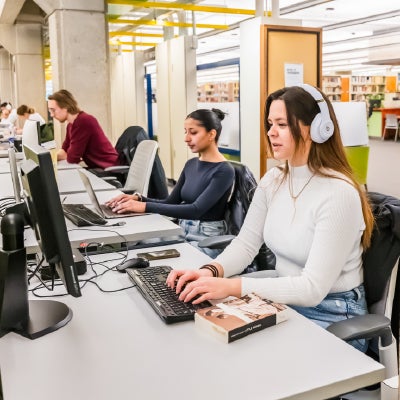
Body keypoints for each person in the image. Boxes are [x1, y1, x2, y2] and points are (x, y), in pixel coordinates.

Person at [166, 85, 375, 352]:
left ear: (317, 128)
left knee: (247, 358)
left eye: (282, 124)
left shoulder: (339, 193)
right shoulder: (274, 180)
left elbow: (312, 288)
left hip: (333, 314)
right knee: (206, 338)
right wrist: (208, 272)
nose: (271, 132)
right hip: (284, 299)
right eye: (269, 124)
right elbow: (246, 244)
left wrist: (231, 287)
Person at [106, 108, 235, 257]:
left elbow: (196, 210)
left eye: (193, 132)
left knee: (153, 260)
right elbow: (171, 201)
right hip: (182, 230)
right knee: (138, 247)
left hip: (206, 239)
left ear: (211, 134)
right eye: (185, 132)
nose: (186, 138)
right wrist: (138, 199)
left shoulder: (224, 171)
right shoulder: (191, 164)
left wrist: (144, 206)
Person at [47, 89, 119, 169]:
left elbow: (72, 158)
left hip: (108, 167)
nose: (52, 115)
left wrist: (62, 155)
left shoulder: (83, 121)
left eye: (53, 110)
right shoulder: (71, 125)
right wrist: (49, 157)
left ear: (65, 107)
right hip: (98, 167)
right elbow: (64, 149)